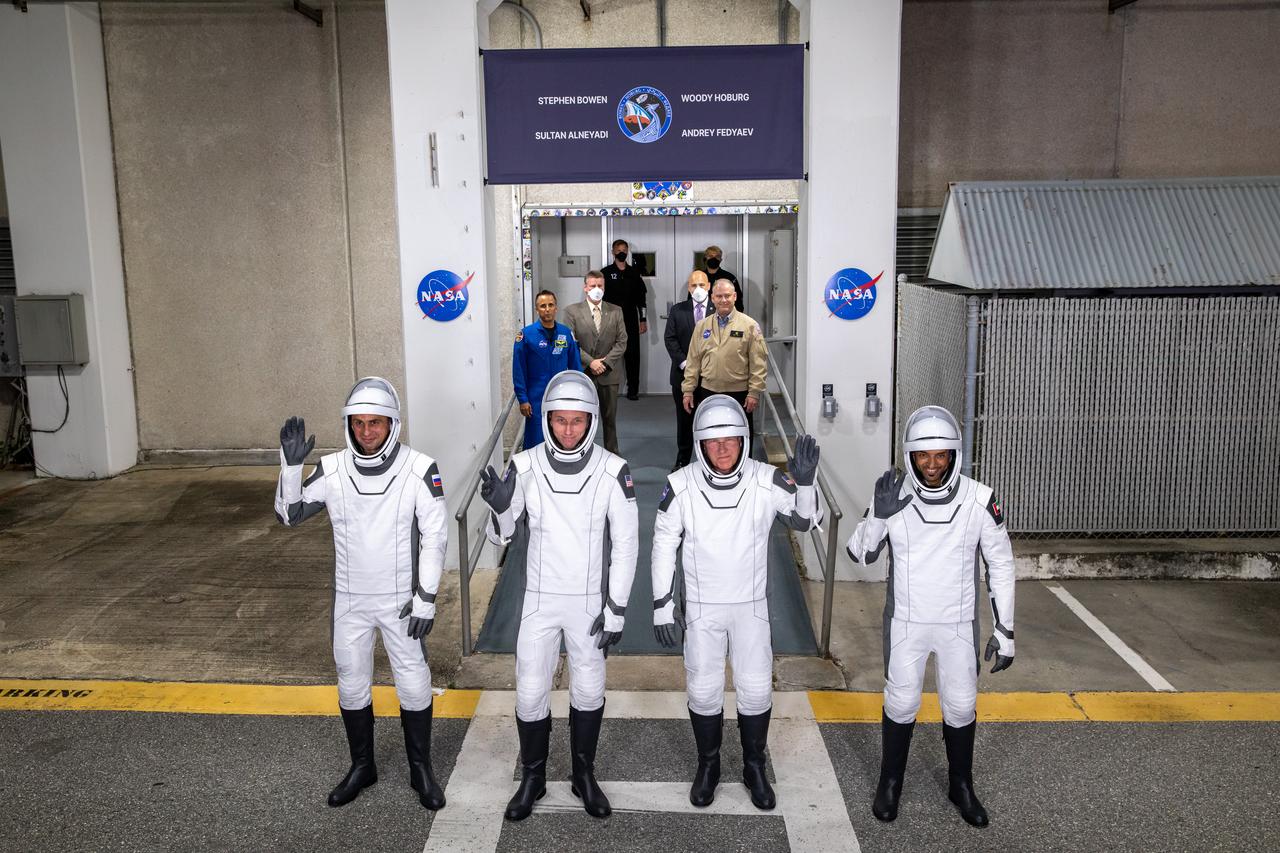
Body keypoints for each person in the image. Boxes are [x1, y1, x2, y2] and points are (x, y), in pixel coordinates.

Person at [273, 377, 446, 811]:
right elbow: (289, 515)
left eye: (377, 423)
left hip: (401, 601)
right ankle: (362, 766)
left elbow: (435, 536)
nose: (367, 432)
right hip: (350, 601)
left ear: (394, 424)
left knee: (413, 683)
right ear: (348, 425)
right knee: (351, 685)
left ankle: (420, 769)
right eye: (359, 423)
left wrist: (426, 597)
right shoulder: (331, 469)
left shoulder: (420, 468)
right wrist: (290, 469)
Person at [844, 405, 1015, 828]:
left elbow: (1002, 565)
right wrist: (878, 517)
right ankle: (890, 783)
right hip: (906, 622)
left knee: (961, 706)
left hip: (957, 624)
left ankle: (962, 785)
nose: (933, 464)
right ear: (911, 455)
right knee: (901, 702)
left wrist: (1005, 630)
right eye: (924, 455)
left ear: (954, 455)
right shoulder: (892, 495)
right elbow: (859, 554)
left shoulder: (979, 498)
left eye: (941, 455)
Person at [480, 370, 639, 822]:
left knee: (588, 691)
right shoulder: (525, 466)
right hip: (540, 601)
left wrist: (616, 608)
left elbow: (627, 544)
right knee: (530, 693)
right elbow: (501, 536)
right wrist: (498, 508)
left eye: (577, 421)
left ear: (591, 420)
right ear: (547, 419)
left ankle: (583, 775)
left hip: (590, 603)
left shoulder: (613, 469)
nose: (568, 431)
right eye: (559, 421)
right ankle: (533, 778)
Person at [651, 395, 822, 811]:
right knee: (705, 691)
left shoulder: (766, 479)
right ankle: (708, 766)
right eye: (713, 442)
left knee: (755, 689)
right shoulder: (681, 485)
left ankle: (753, 766)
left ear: (743, 439)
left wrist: (805, 486)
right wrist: (661, 603)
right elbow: (662, 544)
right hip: (703, 609)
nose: (723, 448)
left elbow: (803, 522)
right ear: (699, 444)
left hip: (750, 608)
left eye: (730, 439)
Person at [681, 280, 767, 455]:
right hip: (708, 391)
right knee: (710, 437)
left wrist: (754, 392)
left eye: (727, 296)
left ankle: (744, 472)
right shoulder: (702, 326)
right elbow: (693, 361)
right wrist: (688, 390)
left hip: (739, 393)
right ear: (712, 298)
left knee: (740, 438)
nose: (723, 300)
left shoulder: (749, 325)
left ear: (734, 297)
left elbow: (758, 363)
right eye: (719, 296)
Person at [562, 270, 628, 454]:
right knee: (581, 418)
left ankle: (612, 456)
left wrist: (605, 363)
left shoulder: (616, 311)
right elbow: (570, 342)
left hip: (609, 374)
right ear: (585, 288)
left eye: (600, 286)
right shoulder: (571, 312)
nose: (597, 289)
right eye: (593, 286)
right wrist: (591, 362)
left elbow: (622, 342)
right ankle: (580, 453)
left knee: (609, 420)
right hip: (584, 373)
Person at [513, 290, 581, 450]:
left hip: (561, 396)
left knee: (562, 438)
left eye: (551, 305)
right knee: (536, 442)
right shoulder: (526, 336)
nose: (547, 309)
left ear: (556, 308)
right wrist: (523, 399)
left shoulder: (566, 334)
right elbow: (518, 370)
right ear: (537, 309)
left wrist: (577, 395)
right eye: (543, 306)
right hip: (536, 399)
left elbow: (576, 367)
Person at [664, 269, 710, 470]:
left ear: (708, 286)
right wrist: (686, 364)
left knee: (708, 418)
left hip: (711, 377)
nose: (698, 289)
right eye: (693, 285)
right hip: (682, 376)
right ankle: (683, 458)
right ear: (688, 288)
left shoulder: (718, 310)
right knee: (684, 420)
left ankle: (708, 459)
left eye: (702, 285)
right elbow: (670, 339)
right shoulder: (678, 310)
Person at [601, 238, 648, 400]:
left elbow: (642, 299)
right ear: (613, 252)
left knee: (633, 356)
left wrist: (643, 320)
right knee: (608, 354)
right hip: (609, 320)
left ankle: (633, 390)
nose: (622, 252)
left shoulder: (634, 273)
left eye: (624, 249)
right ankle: (606, 389)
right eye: (618, 249)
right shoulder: (605, 273)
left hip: (630, 320)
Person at [702, 244, 743, 313]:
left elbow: (738, 301)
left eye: (717, 256)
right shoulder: (700, 277)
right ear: (705, 258)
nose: (713, 258)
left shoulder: (729, 277)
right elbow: (690, 299)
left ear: (720, 259)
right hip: (702, 316)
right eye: (710, 256)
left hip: (725, 316)